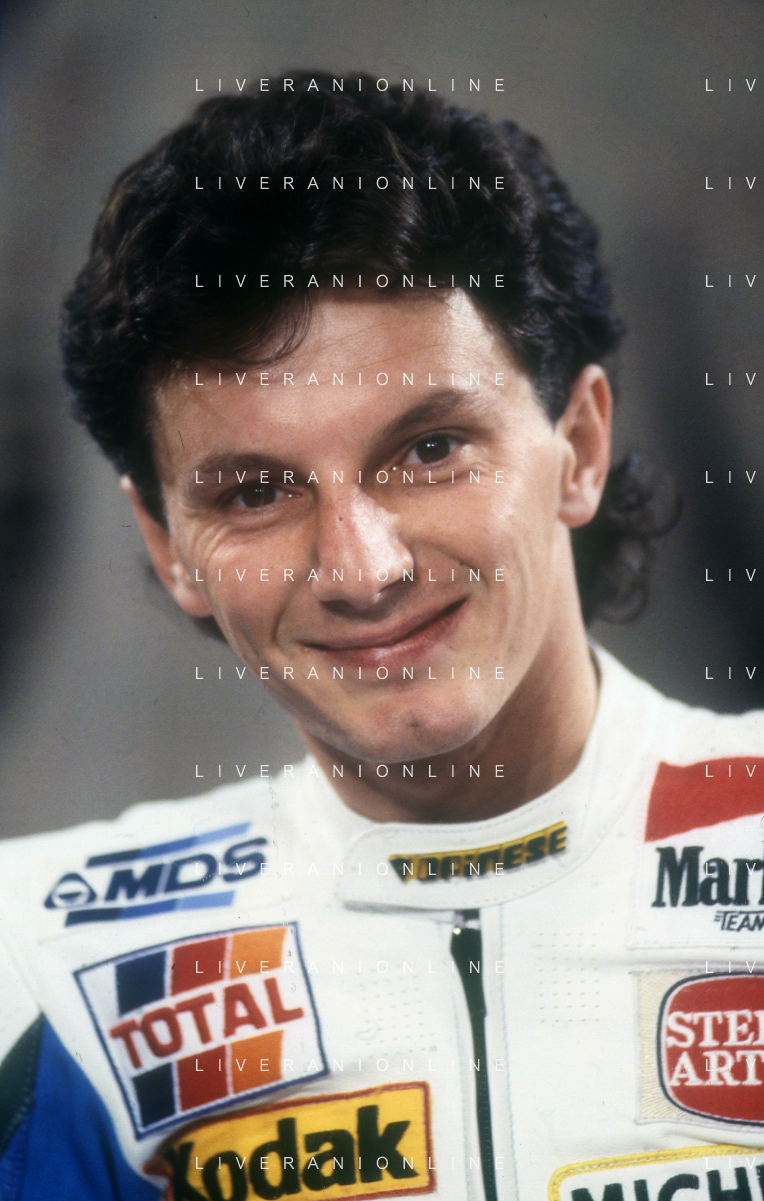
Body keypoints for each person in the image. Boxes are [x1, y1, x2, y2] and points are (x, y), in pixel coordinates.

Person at [1, 74, 763, 1201]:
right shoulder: (42, 960)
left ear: (582, 444)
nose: (363, 570)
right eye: (256, 490)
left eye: (430, 449)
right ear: (166, 545)